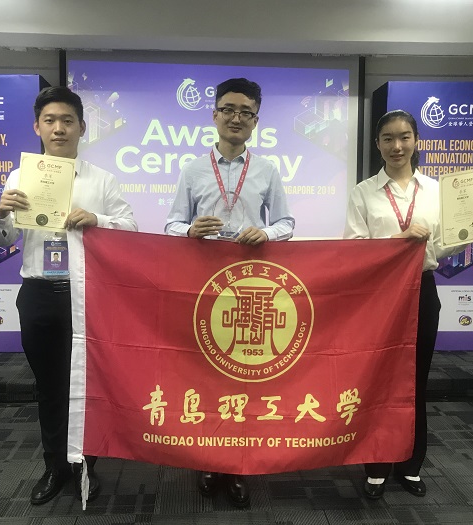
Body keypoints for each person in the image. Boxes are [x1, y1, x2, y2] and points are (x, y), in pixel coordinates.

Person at [0, 86, 137, 505]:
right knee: (49, 386)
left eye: (67, 121)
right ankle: (54, 465)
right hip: (38, 293)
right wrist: (0, 213)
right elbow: (4, 240)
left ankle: (86, 464)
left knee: (86, 385)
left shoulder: (102, 180)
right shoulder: (19, 178)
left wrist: (97, 219)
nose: (59, 128)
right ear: (37, 127)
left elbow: (130, 228)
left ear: (82, 128)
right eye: (50, 120)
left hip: (86, 295)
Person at [344, 109, 473, 500]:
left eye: (405, 137)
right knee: (377, 379)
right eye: (388, 138)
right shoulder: (363, 192)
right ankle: (376, 465)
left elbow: (444, 250)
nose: (397, 146)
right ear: (377, 144)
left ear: (416, 141)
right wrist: (400, 240)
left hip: (422, 290)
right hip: (379, 295)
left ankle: (411, 465)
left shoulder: (437, 191)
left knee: (415, 380)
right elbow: (355, 249)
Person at [165, 78, 294, 507]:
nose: (236, 118)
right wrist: (189, 229)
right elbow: (170, 224)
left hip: (249, 288)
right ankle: (208, 459)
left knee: (244, 378)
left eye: (246, 112)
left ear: (255, 120)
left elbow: (287, 223)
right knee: (206, 377)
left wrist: (266, 232)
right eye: (229, 110)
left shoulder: (268, 170)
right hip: (204, 288)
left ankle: (238, 466)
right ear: (214, 115)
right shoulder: (192, 169)